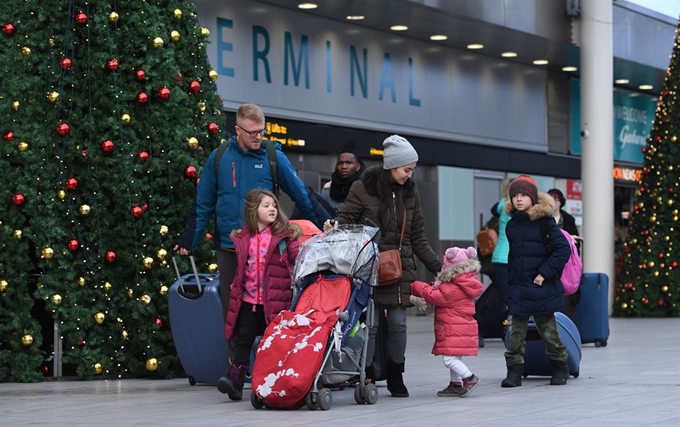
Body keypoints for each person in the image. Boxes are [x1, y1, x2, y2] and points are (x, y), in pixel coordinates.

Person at [175, 103, 319, 322]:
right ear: (238, 130)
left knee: (267, 310)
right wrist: (188, 240)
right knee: (232, 314)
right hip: (229, 247)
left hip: (265, 249)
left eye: (262, 131)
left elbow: (302, 195)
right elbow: (203, 202)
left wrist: (324, 225)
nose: (258, 136)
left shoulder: (273, 157)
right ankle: (236, 358)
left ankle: (265, 354)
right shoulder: (220, 157)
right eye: (253, 132)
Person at [323, 134, 441, 397]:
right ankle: (366, 375)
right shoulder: (363, 187)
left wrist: (440, 267)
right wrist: (335, 225)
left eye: (412, 170)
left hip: (399, 269)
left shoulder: (411, 193)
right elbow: (347, 217)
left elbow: (418, 237)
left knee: (398, 323)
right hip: (369, 266)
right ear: (391, 165)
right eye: (406, 169)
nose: (410, 175)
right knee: (371, 325)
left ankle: (396, 375)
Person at [216, 189, 301, 401]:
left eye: (274, 205)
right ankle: (235, 380)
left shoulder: (284, 236)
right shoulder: (244, 238)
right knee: (244, 340)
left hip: (275, 301)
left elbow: (299, 258)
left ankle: (269, 380)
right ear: (254, 211)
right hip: (248, 301)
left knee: (271, 343)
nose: (272, 209)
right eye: (266, 205)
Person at [502, 175, 571, 387]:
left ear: (532, 198)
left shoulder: (545, 223)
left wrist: (544, 273)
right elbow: (513, 257)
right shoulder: (512, 225)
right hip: (520, 288)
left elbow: (563, 249)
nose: (519, 199)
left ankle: (561, 367)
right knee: (516, 334)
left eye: (523, 195)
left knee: (549, 331)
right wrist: (510, 285)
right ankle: (514, 372)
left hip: (542, 286)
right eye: (515, 196)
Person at [411, 246, 483, 398]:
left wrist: (416, 285)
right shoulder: (464, 283)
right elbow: (440, 291)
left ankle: (469, 378)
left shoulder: (451, 287)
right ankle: (455, 384)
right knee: (455, 356)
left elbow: (433, 296)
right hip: (460, 327)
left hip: (453, 328)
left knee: (449, 359)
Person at [547, 188, 582, 323]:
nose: (553, 202)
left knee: (568, 298)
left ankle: (567, 328)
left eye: (556, 199)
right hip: (550, 263)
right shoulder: (543, 219)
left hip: (566, 264)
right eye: (550, 199)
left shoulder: (568, 219)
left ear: (560, 202)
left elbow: (576, 244)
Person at [321, 142, 365, 213]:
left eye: (348, 163)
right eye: (340, 163)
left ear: (358, 167)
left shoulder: (366, 189)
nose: (344, 167)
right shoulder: (327, 190)